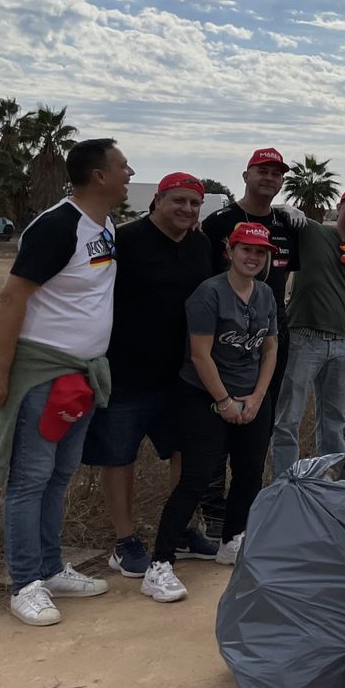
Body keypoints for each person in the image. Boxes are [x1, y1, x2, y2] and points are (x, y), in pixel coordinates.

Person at [0, 138, 131, 626]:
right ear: (99, 176)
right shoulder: (57, 226)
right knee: (29, 479)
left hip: (83, 373)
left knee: (60, 475)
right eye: (123, 166)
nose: (130, 173)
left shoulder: (105, 225)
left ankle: (49, 567)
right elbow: (11, 298)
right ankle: (25, 582)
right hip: (43, 373)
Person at [141, 222, 280, 602]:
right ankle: (159, 563)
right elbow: (201, 355)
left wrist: (257, 397)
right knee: (197, 477)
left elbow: (269, 348)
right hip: (204, 395)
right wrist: (224, 402)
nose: (253, 257)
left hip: (252, 395)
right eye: (246, 249)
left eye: (260, 252)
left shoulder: (265, 293)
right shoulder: (209, 293)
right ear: (230, 251)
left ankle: (232, 540)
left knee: (250, 472)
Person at [87, 172, 215, 579]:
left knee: (184, 453)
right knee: (119, 456)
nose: (187, 209)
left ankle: (180, 530)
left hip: (182, 375)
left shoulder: (201, 246)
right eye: (178, 200)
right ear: (157, 201)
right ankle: (124, 542)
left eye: (194, 203)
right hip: (125, 373)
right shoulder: (123, 241)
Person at [199, 146, 301, 539]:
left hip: (272, 336)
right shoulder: (219, 223)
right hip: (224, 339)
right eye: (263, 171)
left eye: (277, 173)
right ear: (246, 175)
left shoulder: (286, 224)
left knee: (259, 423)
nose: (270, 178)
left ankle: (245, 514)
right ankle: (212, 510)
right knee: (219, 424)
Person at [271, 186, 345, 476]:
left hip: (341, 345)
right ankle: (285, 482)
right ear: (340, 207)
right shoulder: (313, 232)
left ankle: (330, 479)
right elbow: (273, 212)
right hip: (302, 338)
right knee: (288, 417)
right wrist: (287, 209)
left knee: (334, 421)